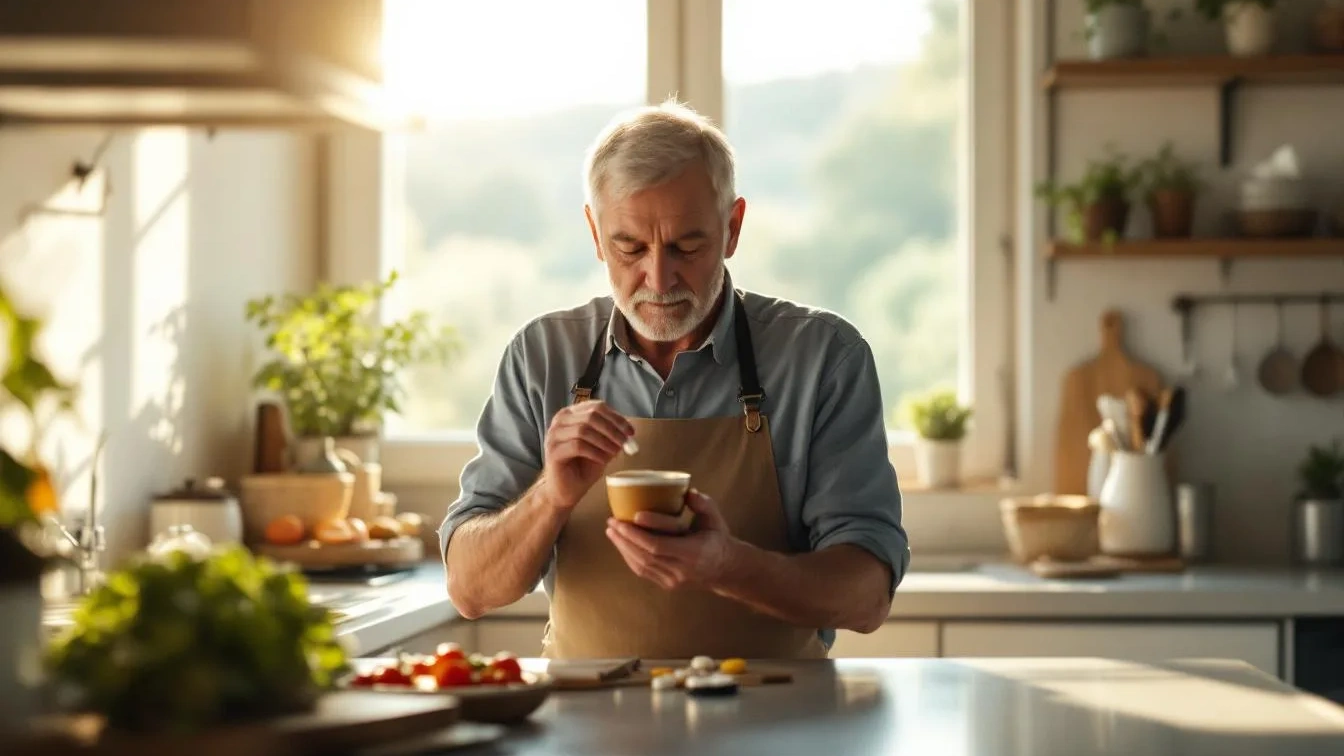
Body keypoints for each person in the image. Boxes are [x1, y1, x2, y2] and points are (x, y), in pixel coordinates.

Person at [439, 99, 909, 659]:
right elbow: (470, 589)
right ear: (595, 233)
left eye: (687, 246)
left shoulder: (823, 357)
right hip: (587, 710)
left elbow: (866, 596)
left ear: (732, 227)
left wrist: (729, 565)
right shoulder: (541, 357)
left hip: (778, 706)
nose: (659, 279)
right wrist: (550, 497)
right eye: (630, 247)